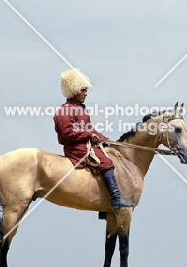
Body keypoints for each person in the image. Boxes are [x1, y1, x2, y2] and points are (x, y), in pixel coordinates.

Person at [53, 68, 134, 209]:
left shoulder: (81, 109)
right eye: (83, 90)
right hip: (76, 147)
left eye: (86, 89)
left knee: (110, 154)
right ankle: (115, 198)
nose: (86, 93)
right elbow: (68, 132)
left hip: (86, 144)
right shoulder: (64, 110)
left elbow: (91, 129)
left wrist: (106, 140)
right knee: (105, 162)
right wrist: (89, 136)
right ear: (74, 90)